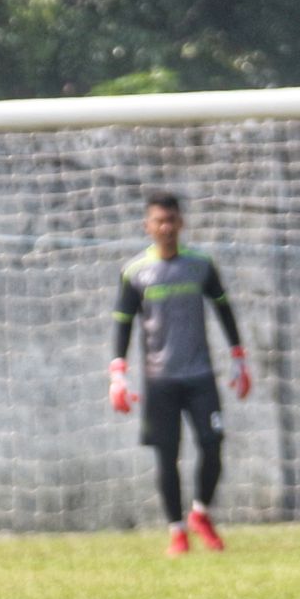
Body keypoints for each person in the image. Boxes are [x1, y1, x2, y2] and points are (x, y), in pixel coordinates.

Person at [109, 193, 251, 557]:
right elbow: (123, 324)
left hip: (200, 375)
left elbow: (224, 309)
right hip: (160, 381)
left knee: (213, 444)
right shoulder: (135, 271)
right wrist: (118, 373)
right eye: (159, 220)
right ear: (148, 226)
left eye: (172, 219)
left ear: (181, 223)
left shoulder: (200, 265)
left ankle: (200, 513)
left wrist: (239, 357)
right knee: (166, 456)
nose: (166, 227)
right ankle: (177, 531)